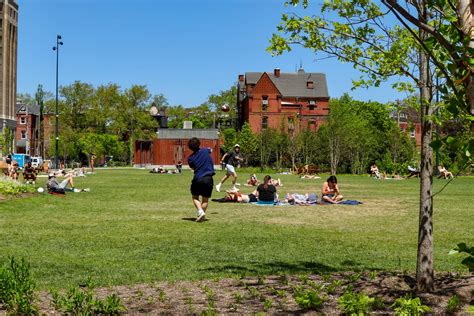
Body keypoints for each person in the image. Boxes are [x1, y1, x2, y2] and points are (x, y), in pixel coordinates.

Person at [187, 137, 215, 222]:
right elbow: (211, 150)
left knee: (195, 197)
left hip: (198, 178)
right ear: (199, 143)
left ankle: (200, 211)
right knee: (205, 199)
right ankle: (201, 214)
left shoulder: (190, 158)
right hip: (209, 178)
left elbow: (192, 167)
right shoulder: (206, 150)